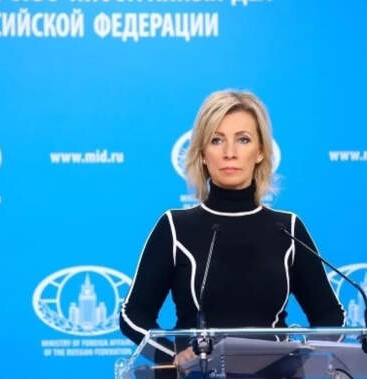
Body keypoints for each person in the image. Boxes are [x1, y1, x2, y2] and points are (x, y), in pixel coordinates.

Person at [119, 90, 345, 367]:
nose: (229, 153)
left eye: (243, 139)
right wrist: (172, 357)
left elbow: (330, 315)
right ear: (203, 154)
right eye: (217, 140)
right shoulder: (175, 227)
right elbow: (133, 315)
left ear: (260, 151)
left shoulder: (287, 228)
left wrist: (304, 361)